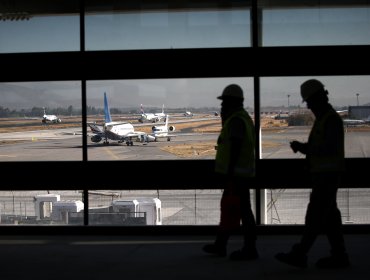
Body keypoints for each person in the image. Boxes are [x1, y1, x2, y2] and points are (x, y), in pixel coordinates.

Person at [275, 79, 350, 269]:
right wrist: (304, 148)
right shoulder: (324, 119)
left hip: (328, 177)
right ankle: (339, 256)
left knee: (314, 217)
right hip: (324, 176)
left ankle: (301, 253)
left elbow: (328, 148)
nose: (308, 106)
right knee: (331, 219)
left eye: (309, 101)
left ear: (318, 99)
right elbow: (322, 146)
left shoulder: (330, 120)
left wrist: (304, 149)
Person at [202, 84, 258, 261]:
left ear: (232, 102)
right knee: (229, 209)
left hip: (236, 176)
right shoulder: (241, 118)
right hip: (239, 174)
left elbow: (234, 148)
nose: (222, 106)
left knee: (243, 212)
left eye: (224, 102)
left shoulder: (235, 120)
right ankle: (221, 245)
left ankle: (249, 248)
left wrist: (230, 176)